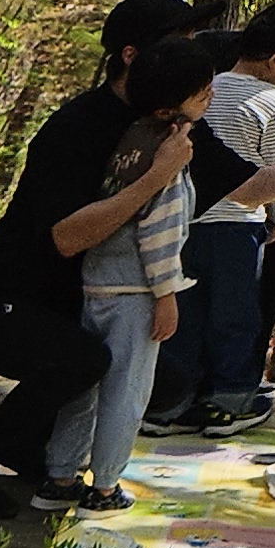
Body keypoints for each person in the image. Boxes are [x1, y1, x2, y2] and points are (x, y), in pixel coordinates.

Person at [0, 0, 214, 517]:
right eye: (178, 42)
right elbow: (65, 238)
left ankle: (28, 449)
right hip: (1, 304)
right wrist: (156, 178)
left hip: (82, 303)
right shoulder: (76, 129)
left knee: (170, 383)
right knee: (83, 361)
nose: (191, 52)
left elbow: (250, 183)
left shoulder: (168, 126)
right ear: (133, 57)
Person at [45, 40, 223, 510]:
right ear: (171, 109)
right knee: (126, 392)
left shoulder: (128, 140)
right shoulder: (169, 156)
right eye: (202, 94)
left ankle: (60, 476)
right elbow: (160, 234)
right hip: (136, 292)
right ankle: (104, 485)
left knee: (84, 388)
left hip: (95, 282)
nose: (209, 99)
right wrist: (167, 295)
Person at [152, 2, 275, 429]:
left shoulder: (207, 85)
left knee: (185, 313)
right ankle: (230, 398)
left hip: (184, 222)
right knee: (236, 314)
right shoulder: (273, 99)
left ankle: (170, 401)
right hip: (238, 225)